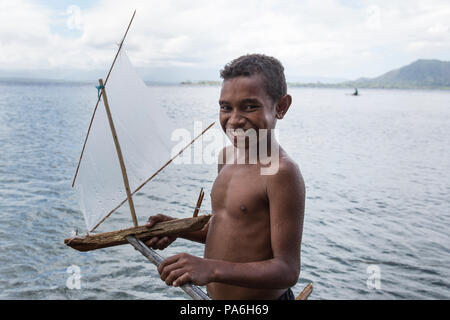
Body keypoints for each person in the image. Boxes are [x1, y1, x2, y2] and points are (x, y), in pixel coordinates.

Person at [146, 54, 305, 300]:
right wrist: (179, 228)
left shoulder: (281, 173)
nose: (234, 119)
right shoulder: (226, 156)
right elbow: (230, 226)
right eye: (225, 107)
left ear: (281, 107)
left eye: (250, 106)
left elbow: (287, 270)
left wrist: (211, 268)